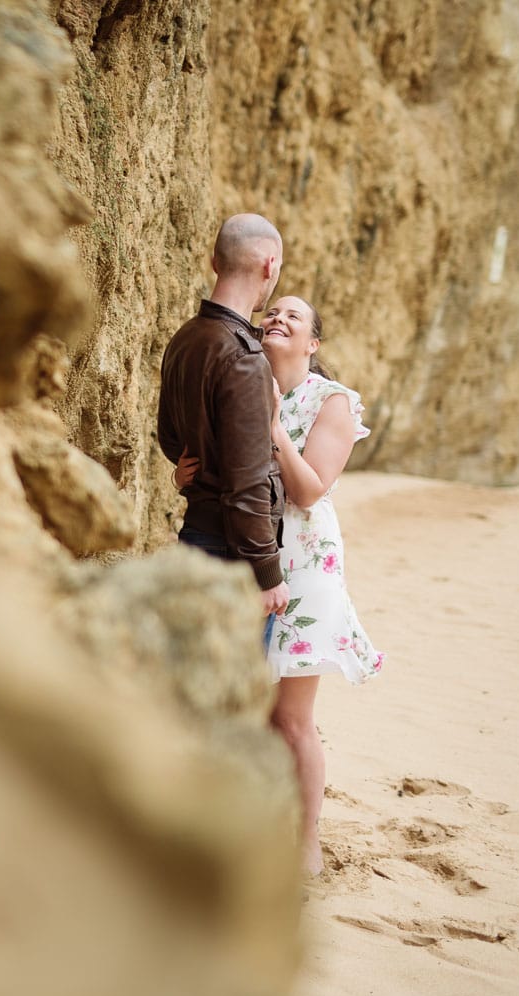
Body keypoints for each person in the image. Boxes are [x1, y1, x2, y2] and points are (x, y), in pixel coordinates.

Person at [176, 294, 385, 877]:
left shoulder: (333, 402)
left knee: (290, 718)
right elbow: (217, 466)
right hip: (243, 555)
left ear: (312, 344)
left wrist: (271, 426)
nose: (278, 319)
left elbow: (310, 489)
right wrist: (182, 472)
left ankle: (307, 840)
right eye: (274, 312)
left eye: (295, 317)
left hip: (304, 564)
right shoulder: (242, 378)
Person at [157, 213, 290, 627]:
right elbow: (247, 485)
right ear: (270, 265)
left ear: (215, 262)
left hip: (194, 541)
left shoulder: (186, 337)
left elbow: (168, 438)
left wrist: (189, 471)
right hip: (232, 559)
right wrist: (267, 575)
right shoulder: (245, 359)